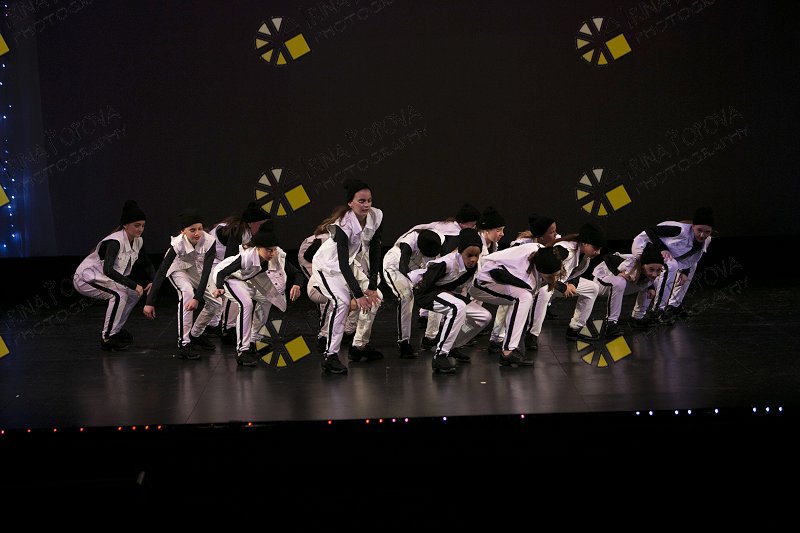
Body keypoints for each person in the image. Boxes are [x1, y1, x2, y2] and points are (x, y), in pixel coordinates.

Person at [308, 179, 384, 374]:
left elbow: (375, 250)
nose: (366, 205)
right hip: (327, 266)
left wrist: (372, 286)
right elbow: (341, 263)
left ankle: (359, 345)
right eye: (361, 201)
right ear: (350, 203)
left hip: (348, 264)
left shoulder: (376, 216)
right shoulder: (343, 224)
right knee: (341, 303)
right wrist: (358, 295)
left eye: (369, 200)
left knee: (376, 297)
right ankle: (330, 356)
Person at [208, 224, 303, 366]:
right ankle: (242, 351)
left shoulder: (277, 256)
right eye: (268, 250)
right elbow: (222, 272)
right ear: (258, 248)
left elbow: (296, 273)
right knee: (246, 304)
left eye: (274, 249)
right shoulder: (247, 257)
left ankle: (253, 341)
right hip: (229, 278)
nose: (272, 253)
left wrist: (297, 285)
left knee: (267, 299)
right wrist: (220, 287)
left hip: (246, 280)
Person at [73, 200, 154, 351]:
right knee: (119, 295)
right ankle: (107, 337)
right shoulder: (115, 242)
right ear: (126, 225)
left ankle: (116, 330)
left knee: (133, 294)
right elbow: (108, 271)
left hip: (104, 278)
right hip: (87, 278)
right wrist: (134, 284)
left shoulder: (138, 241)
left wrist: (152, 280)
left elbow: (147, 262)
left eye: (143, 226)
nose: (140, 229)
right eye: (137, 225)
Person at [469, 242, 563, 367]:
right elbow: (495, 273)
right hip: (483, 285)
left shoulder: (540, 251)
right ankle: (508, 351)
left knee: (522, 297)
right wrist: (514, 281)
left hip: (495, 279)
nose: (554, 278)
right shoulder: (524, 272)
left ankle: (504, 344)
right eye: (551, 276)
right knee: (523, 298)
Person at [413, 228, 492, 373]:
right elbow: (424, 285)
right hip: (425, 293)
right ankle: (440, 355)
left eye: (476, 255)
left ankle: (453, 345)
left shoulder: (472, 267)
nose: (473, 259)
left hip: (444, 293)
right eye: (469, 255)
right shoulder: (446, 263)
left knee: (484, 316)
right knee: (458, 307)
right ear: (460, 252)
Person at [142, 209, 217, 360]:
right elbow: (162, 271)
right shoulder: (177, 244)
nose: (197, 233)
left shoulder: (209, 241)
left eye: (200, 229)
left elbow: (206, 272)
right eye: (192, 230)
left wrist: (198, 298)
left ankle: (195, 334)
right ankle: (184, 343)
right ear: (183, 231)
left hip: (195, 268)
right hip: (177, 268)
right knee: (187, 293)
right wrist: (149, 302)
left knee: (216, 303)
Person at [489, 213, 560, 353]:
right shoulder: (522, 244)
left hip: (534, 279)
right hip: (511, 277)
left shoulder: (551, 243)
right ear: (541, 235)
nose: (556, 234)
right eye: (552, 232)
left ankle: (531, 335)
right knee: (509, 301)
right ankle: (497, 337)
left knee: (544, 293)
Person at [630, 206, 715, 322]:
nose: (702, 235)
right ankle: (658, 309)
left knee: (692, 266)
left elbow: (691, 258)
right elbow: (649, 231)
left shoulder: (707, 240)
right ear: (693, 226)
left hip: (670, 253)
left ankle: (674, 306)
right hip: (645, 246)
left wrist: (685, 272)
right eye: (699, 230)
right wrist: (662, 249)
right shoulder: (680, 230)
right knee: (671, 265)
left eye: (707, 232)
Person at [205, 202, 272, 345]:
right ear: (252, 223)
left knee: (231, 292)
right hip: (213, 260)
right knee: (229, 290)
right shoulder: (238, 231)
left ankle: (217, 325)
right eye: (261, 224)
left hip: (222, 258)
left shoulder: (248, 231)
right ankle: (227, 328)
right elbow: (229, 259)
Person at [529, 222, 606, 344]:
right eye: (596, 248)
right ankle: (531, 335)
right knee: (545, 291)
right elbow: (543, 271)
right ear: (585, 243)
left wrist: (573, 284)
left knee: (592, 288)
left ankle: (575, 329)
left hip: (559, 284)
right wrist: (562, 287)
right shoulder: (564, 250)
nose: (598, 252)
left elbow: (576, 272)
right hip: (540, 284)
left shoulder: (584, 255)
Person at [382, 228, 443, 358]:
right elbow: (403, 267)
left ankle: (430, 337)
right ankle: (404, 342)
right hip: (395, 265)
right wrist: (417, 282)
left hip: (417, 264)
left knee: (438, 292)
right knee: (406, 296)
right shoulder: (409, 242)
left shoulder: (438, 239)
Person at [591, 242, 666, 337]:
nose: (654, 273)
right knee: (620, 281)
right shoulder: (630, 263)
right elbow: (607, 257)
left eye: (658, 270)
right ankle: (610, 323)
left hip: (620, 286)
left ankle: (638, 318)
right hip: (601, 283)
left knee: (655, 281)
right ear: (643, 265)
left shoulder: (652, 272)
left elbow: (649, 278)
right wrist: (617, 272)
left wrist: (651, 287)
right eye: (651, 269)